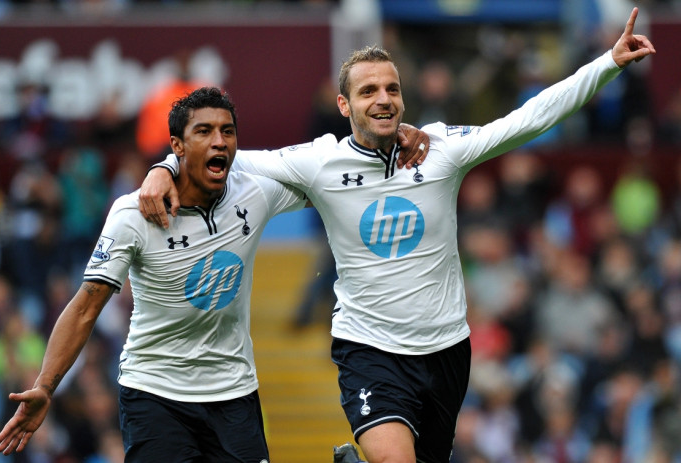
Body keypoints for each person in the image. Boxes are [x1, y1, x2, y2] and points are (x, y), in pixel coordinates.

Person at [139, 9, 654, 463]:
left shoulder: (442, 149)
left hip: (447, 347)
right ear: (344, 106)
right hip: (369, 348)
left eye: (391, 89)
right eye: (368, 91)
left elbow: (529, 119)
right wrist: (165, 167)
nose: (383, 99)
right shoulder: (319, 161)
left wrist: (607, 63)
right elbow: (228, 158)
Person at [0, 87, 309, 462]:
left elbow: (324, 174)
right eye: (204, 131)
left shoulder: (254, 193)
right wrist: (46, 387)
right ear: (177, 145)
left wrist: (390, 142)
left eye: (227, 131)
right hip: (155, 394)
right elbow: (85, 308)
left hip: (234, 394)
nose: (219, 141)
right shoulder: (132, 214)